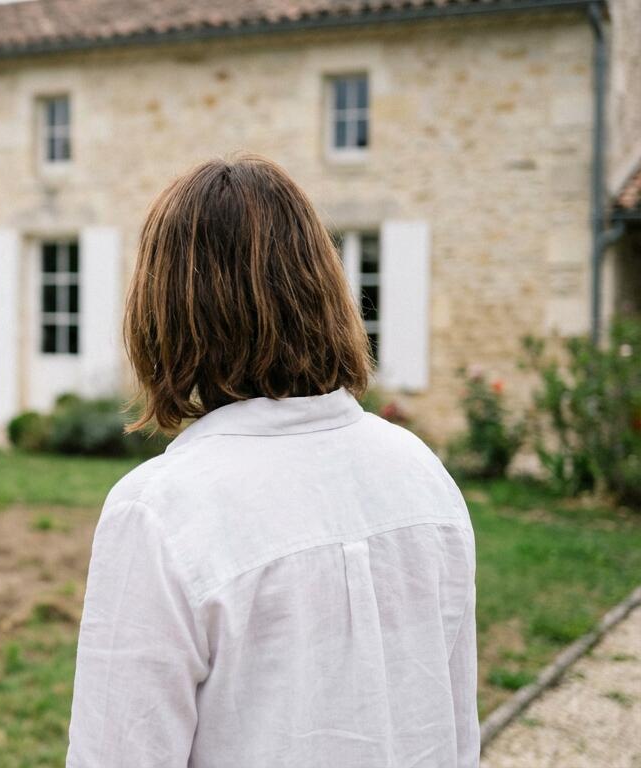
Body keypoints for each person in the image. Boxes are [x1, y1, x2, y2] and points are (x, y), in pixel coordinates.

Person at [66, 156, 478, 767]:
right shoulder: (423, 473)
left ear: (168, 308)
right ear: (322, 287)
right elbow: (454, 732)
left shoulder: (161, 511)